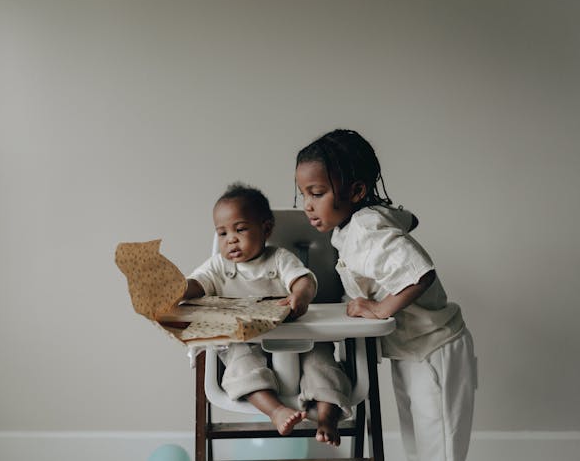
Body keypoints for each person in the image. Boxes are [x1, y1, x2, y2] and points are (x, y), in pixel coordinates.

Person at [295, 129, 477, 461]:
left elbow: (420, 273)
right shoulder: (355, 225)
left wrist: (381, 309)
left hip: (433, 349)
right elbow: (410, 219)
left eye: (317, 193)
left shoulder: (367, 228)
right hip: (411, 349)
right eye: (303, 194)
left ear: (357, 191)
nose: (307, 205)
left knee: (439, 446)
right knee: (418, 442)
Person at [182, 182, 352, 445]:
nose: (231, 240)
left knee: (322, 363)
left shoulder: (280, 258)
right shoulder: (218, 266)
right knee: (241, 368)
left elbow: (303, 280)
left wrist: (301, 296)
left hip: (298, 341)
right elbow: (197, 283)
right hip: (246, 342)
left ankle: (327, 417)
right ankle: (275, 410)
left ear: (266, 228)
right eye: (223, 233)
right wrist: (179, 289)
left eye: (240, 229)